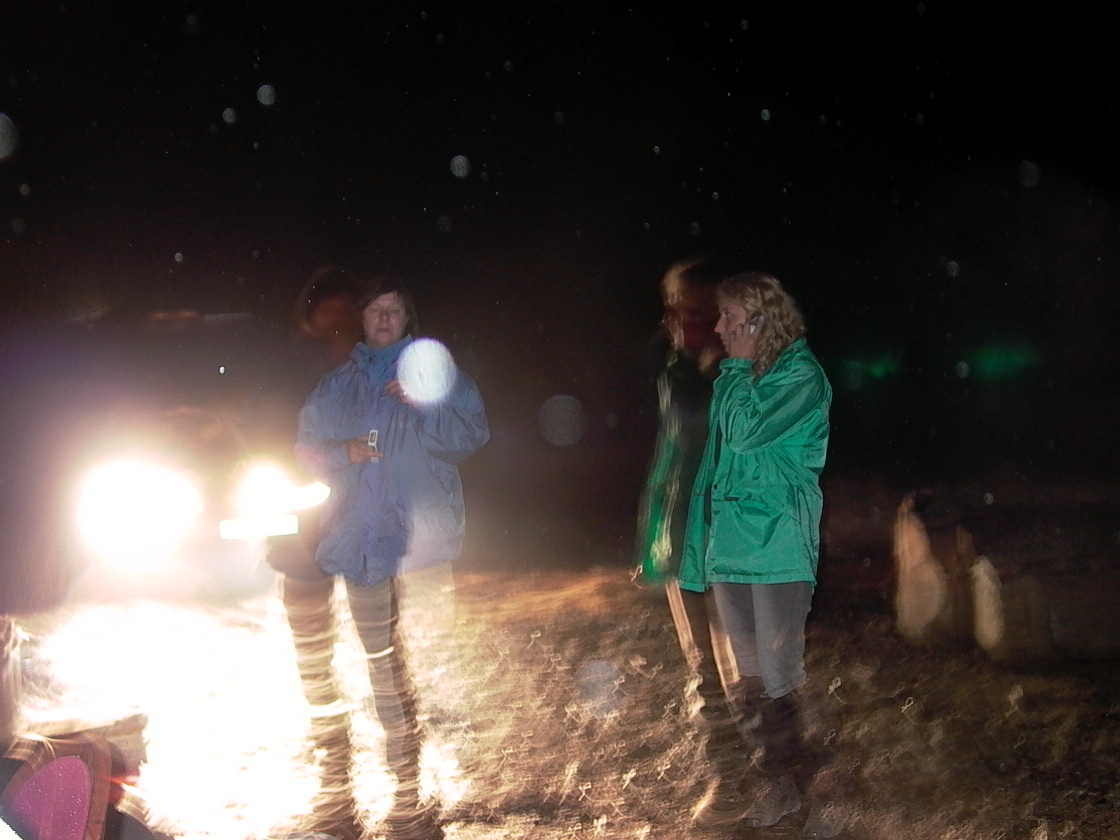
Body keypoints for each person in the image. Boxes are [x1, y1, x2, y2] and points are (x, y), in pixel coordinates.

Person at [295, 275, 489, 840]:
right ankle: (400, 790)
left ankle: (418, 787)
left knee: (424, 665)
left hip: (422, 547)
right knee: (381, 664)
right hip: (361, 543)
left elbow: (471, 436)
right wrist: (342, 452)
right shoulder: (337, 384)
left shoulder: (438, 376)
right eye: (375, 310)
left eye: (394, 311)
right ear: (362, 318)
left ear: (409, 320)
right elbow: (304, 447)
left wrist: (426, 406)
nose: (383, 319)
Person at [678, 271, 832, 831]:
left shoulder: (801, 376)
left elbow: (745, 435)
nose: (719, 327)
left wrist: (738, 369)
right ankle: (780, 786)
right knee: (749, 680)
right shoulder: (736, 376)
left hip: (778, 546)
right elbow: (717, 464)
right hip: (733, 545)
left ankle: (809, 793)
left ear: (761, 320)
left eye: (730, 317)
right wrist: (700, 540)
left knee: (779, 675)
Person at [243, 266, 366, 840]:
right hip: (303, 530)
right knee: (313, 642)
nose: (338, 320)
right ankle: (330, 745)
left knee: (381, 643)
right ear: (309, 317)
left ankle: (397, 752)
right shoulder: (288, 372)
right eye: (328, 310)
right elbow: (262, 433)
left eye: (347, 309)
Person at [634, 256, 749, 827]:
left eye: (700, 313)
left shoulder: (747, 374)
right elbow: (669, 464)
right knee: (706, 672)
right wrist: (654, 544)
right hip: (684, 542)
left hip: (732, 545)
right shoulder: (674, 372)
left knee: (745, 671)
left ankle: (774, 779)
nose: (683, 323)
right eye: (678, 310)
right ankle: (731, 780)